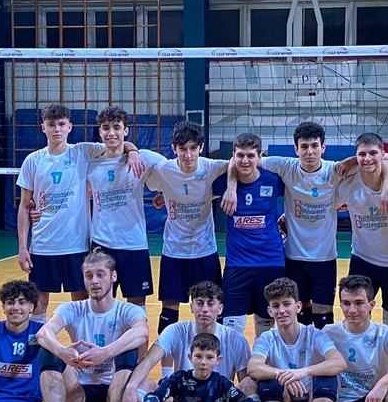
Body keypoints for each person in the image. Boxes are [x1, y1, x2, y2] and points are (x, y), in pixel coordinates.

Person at [108, 281, 273, 402]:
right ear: (191, 306)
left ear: (220, 309)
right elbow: (148, 361)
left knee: (250, 384)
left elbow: (244, 384)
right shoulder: (175, 330)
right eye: (199, 303)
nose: (205, 309)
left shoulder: (235, 339)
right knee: (142, 384)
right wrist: (130, 388)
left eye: (210, 303)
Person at [16, 103, 143, 320]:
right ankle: (38, 343)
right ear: (43, 127)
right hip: (43, 245)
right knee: (39, 303)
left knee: (82, 301)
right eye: (51, 124)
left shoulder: (83, 152)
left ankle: (82, 342)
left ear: (70, 127)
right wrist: (22, 247)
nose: (57, 129)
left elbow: (116, 141)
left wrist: (132, 151)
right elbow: (24, 206)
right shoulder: (33, 161)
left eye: (61, 124)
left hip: (77, 245)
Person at [36, 248, 150, 402]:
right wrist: (63, 351)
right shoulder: (73, 308)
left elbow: (142, 332)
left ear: (113, 276)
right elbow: (43, 333)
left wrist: (106, 352)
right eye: (89, 276)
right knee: (47, 349)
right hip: (79, 398)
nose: (94, 281)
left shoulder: (127, 310)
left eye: (100, 274)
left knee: (130, 350)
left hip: (115, 397)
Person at [226, 121, 345, 330]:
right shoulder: (285, 166)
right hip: (293, 256)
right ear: (296, 149)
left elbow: (365, 162)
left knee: (323, 316)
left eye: (314, 146)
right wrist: (230, 186)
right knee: (298, 312)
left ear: (323, 147)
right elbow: (239, 162)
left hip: (325, 256)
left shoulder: (334, 171)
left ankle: (321, 352)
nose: (310, 151)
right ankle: (299, 350)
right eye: (304, 146)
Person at [247, 277, 346, 402]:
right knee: (265, 380)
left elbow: (339, 362)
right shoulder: (266, 338)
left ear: (298, 307)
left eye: (286, 304)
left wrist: (303, 372)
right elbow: (253, 367)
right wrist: (282, 375)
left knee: (327, 377)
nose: (282, 311)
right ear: (269, 311)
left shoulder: (314, 334)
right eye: (276, 306)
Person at [143, 121, 231, 340]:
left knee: (211, 308)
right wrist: (132, 151)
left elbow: (237, 165)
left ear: (201, 147)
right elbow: (139, 155)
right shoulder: (164, 169)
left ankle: (214, 355)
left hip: (205, 250)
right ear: (174, 148)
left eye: (193, 148)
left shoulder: (211, 167)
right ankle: (166, 360)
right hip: (174, 251)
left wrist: (231, 189)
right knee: (169, 309)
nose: (188, 155)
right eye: (183, 149)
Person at [86, 105, 168, 309]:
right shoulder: (90, 163)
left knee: (137, 303)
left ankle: (137, 333)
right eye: (106, 128)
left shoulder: (144, 158)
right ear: (100, 131)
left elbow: (175, 173)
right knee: (100, 301)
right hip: (102, 243)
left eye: (116, 127)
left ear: (125, 131)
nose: (111, 133)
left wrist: (165, 193)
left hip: (133, 243)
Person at [335, 132, 388, 333]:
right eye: (362, 154)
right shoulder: (348, 184)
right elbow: (323, 204)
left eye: (373, 153)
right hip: (363, 258)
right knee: (356, 315)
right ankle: (360, 352)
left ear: (383, 155)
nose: (367, 159)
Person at [213, 132, 286, 337]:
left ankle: (262, 359)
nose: (245, 161)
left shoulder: (273, 180)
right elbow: (195, 194)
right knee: (231, 328)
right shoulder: (222, 183)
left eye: (250, 156)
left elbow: (299, 193)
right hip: (237, 264)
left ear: (259, 157)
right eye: (240, 155)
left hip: (270, 261)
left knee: (266, 324)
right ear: (233, 156)